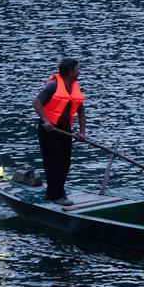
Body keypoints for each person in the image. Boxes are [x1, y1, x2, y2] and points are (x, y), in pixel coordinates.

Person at [32, 58, 86, 205]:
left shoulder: (74, 87)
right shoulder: (53, 86)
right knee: (53, 162)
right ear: (70, 71)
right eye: (78, 69)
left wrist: (82, 133)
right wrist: (46, 120)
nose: (79, 72)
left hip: (64, 129)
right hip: (49, 129)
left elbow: (81, 111)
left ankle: (53, 193)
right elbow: (36, 102)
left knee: (65, 162)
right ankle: (57, 195)